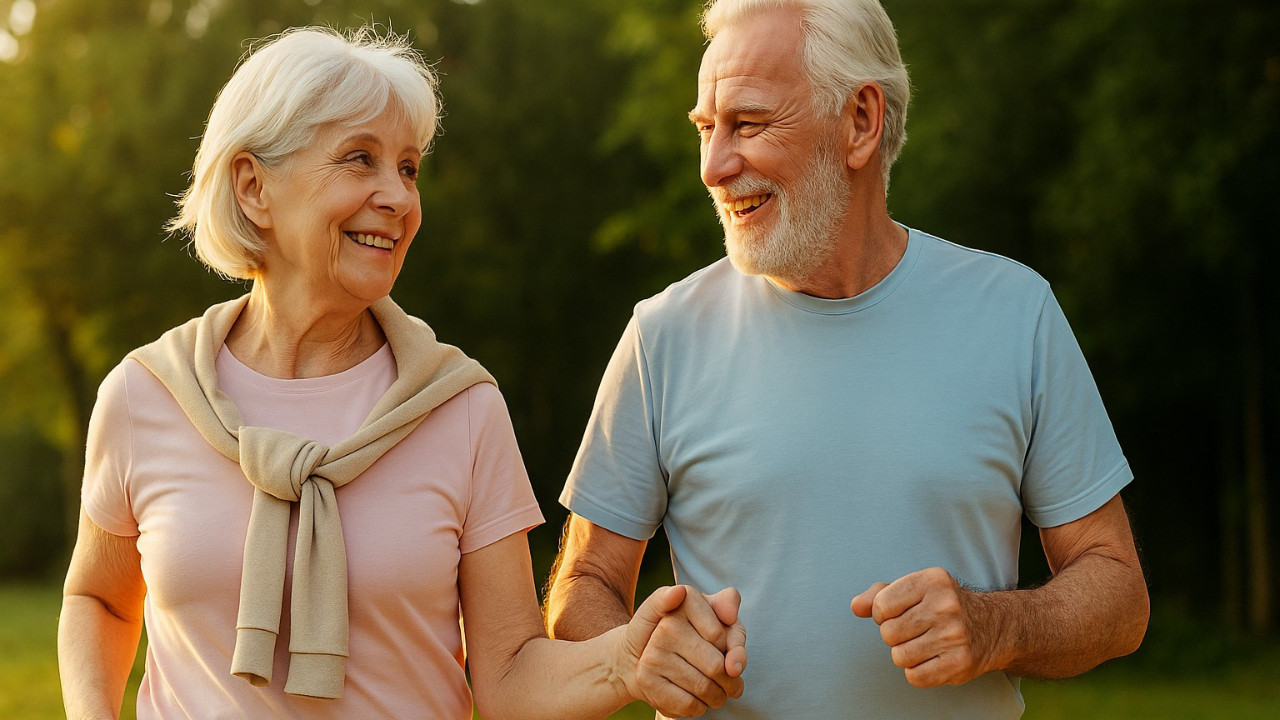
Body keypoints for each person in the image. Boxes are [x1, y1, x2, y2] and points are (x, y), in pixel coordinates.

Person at [56, 27, 742, 720]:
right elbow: (100, 598)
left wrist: (625, 658)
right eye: (361, 160)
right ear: (253, 186)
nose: (399, 197)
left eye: (408, 168)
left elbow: (508, 678)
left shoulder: (461, 408)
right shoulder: (147, 394)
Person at [546, 0, 1150, 717]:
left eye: (748, 122)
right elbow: (582, 586)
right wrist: (640, 650)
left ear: (860, 122)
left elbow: (1117, 592)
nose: (713, 166)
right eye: (706, 130)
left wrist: (996, 627)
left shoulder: (1015, 313)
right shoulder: (661, 335)